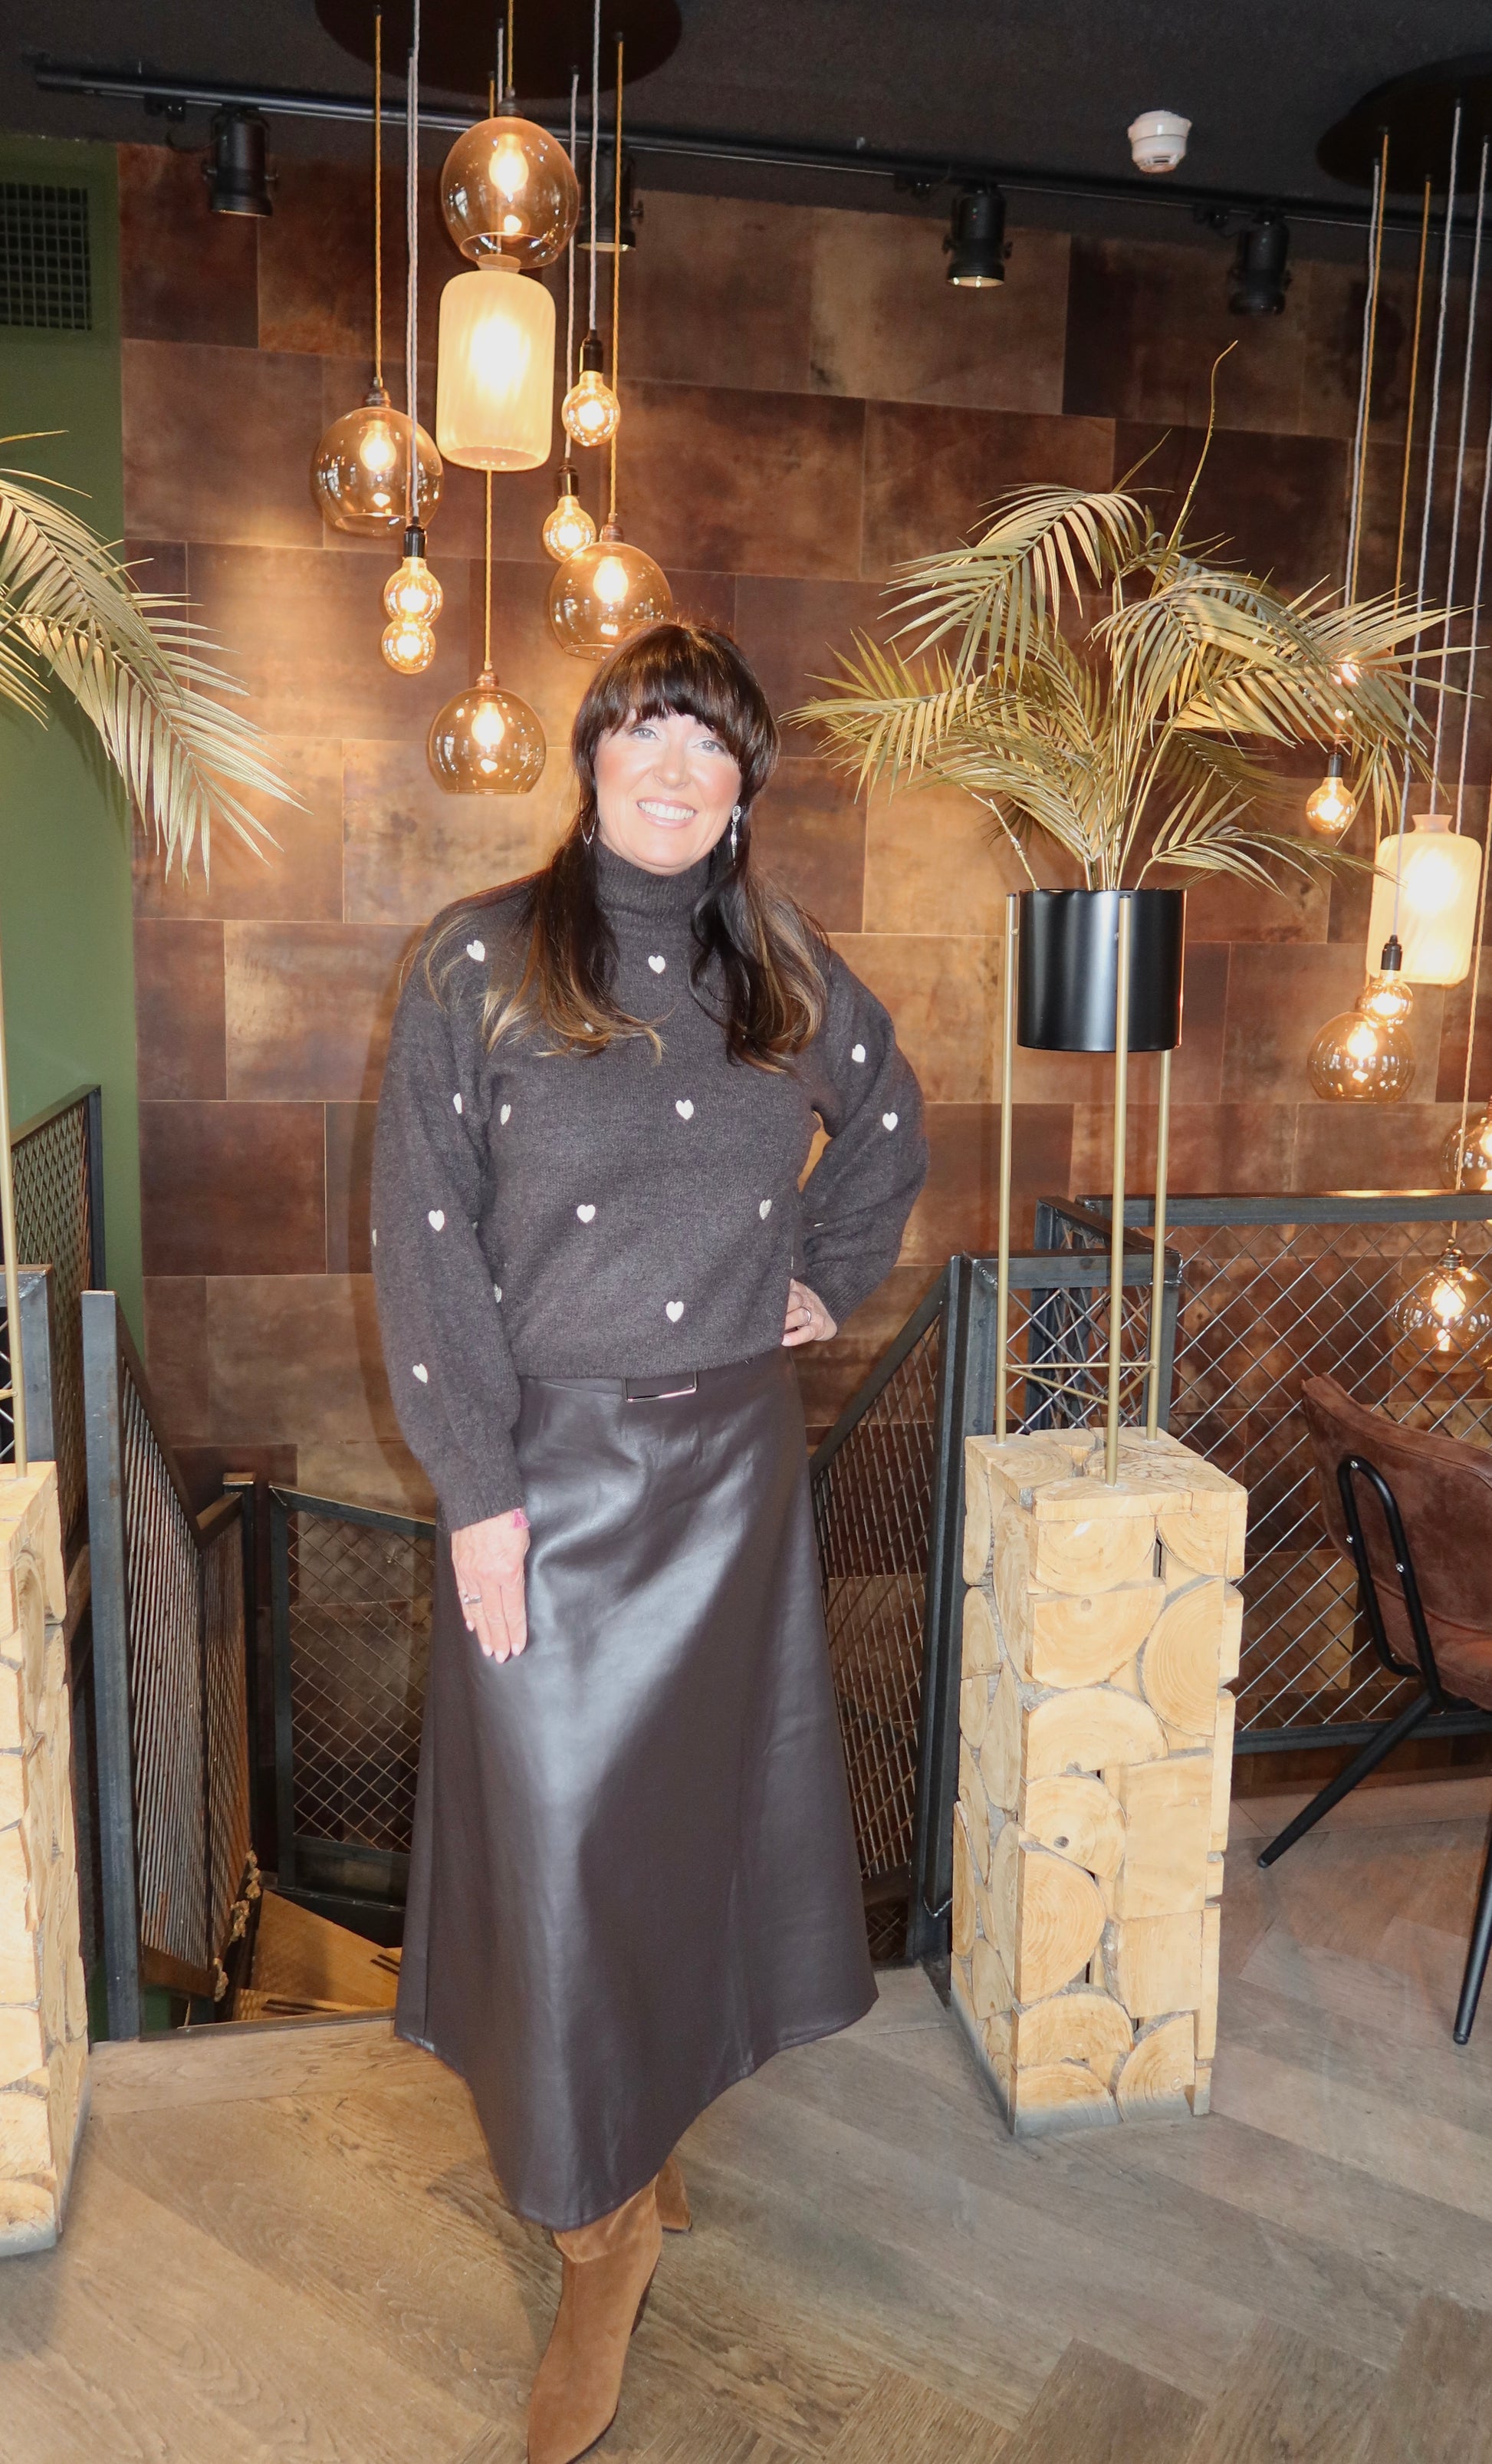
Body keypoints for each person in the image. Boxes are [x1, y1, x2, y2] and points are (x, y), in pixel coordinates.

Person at [371, 620, 927, 2464]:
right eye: (650, 733)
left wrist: (824, 1273)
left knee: (680, 1840)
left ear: (744, 782)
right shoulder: (478, 960)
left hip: (729, 1479)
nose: (679, 769)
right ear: (595, 755)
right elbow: (423, 1236)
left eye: (713, 744)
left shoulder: (781, 960)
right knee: (556, 1855)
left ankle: (640, 2150)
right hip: (548, 1476)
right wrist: (477, 1489)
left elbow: (888, 1122)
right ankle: (597, 2234)